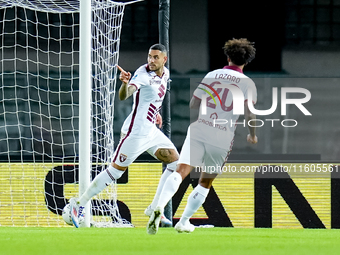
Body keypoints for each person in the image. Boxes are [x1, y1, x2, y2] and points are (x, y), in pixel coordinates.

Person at [147, 38, 258, 234]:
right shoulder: (247, 83)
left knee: (181, 170)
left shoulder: (213, 75)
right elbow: (250, 113)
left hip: (200, 128)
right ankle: (183, 221)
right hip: (222, 135)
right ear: (246, 61)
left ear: (228, 56)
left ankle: (159, 206)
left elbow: (193, 104)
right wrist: (252, 134)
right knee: (205, 181)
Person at [69, 44, 179, 228]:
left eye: (155, 57)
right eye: (149, 56)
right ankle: (79, 204)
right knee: (115, 172)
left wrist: (155, 112)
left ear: (164, 60)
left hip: (151, 130)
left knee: (175, 163)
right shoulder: (142, 74)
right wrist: (125, 83)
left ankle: (154, 209)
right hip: (135, 133)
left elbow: (154, 98)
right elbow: (125, 95)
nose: (151, 61)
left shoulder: (165, 73)